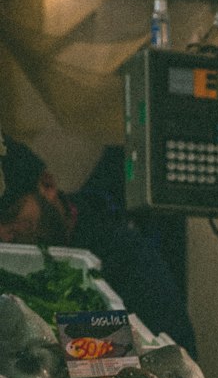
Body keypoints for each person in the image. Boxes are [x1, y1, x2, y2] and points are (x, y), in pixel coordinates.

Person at [0, 136, 197, 356]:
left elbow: (175, 353)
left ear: (47, 185)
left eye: (10, 215)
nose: (4, 234)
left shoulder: (123, 254)